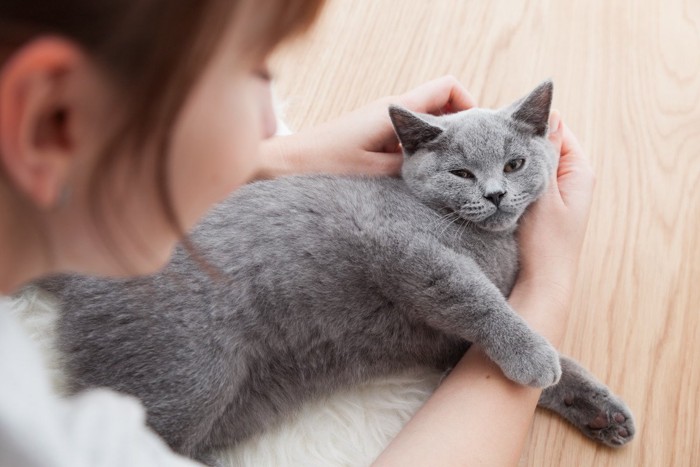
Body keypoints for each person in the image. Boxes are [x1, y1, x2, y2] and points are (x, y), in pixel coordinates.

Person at [0, 1, 595, 466]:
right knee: (179, 397)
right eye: (250, 70)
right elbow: (402, 254)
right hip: (198, 315)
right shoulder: (35, 437)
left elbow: (452, 334)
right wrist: (549, 283)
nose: (271, 120)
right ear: (49, 117)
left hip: (278, 360)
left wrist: (269, 158)